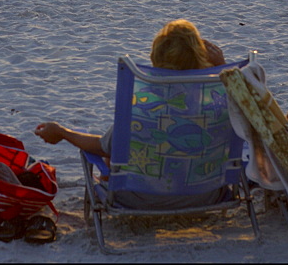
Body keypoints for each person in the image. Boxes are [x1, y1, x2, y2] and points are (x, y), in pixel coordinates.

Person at [33, 19, 225, 209]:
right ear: (201, 58)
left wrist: (63, 132)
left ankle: (111, 179)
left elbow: (102, 147)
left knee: (117, 148)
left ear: (155, 57)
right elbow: (244, 115)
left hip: (137, 198)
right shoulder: (216, 105)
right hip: (206, 195)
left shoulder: (144, 107)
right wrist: (222, 69)